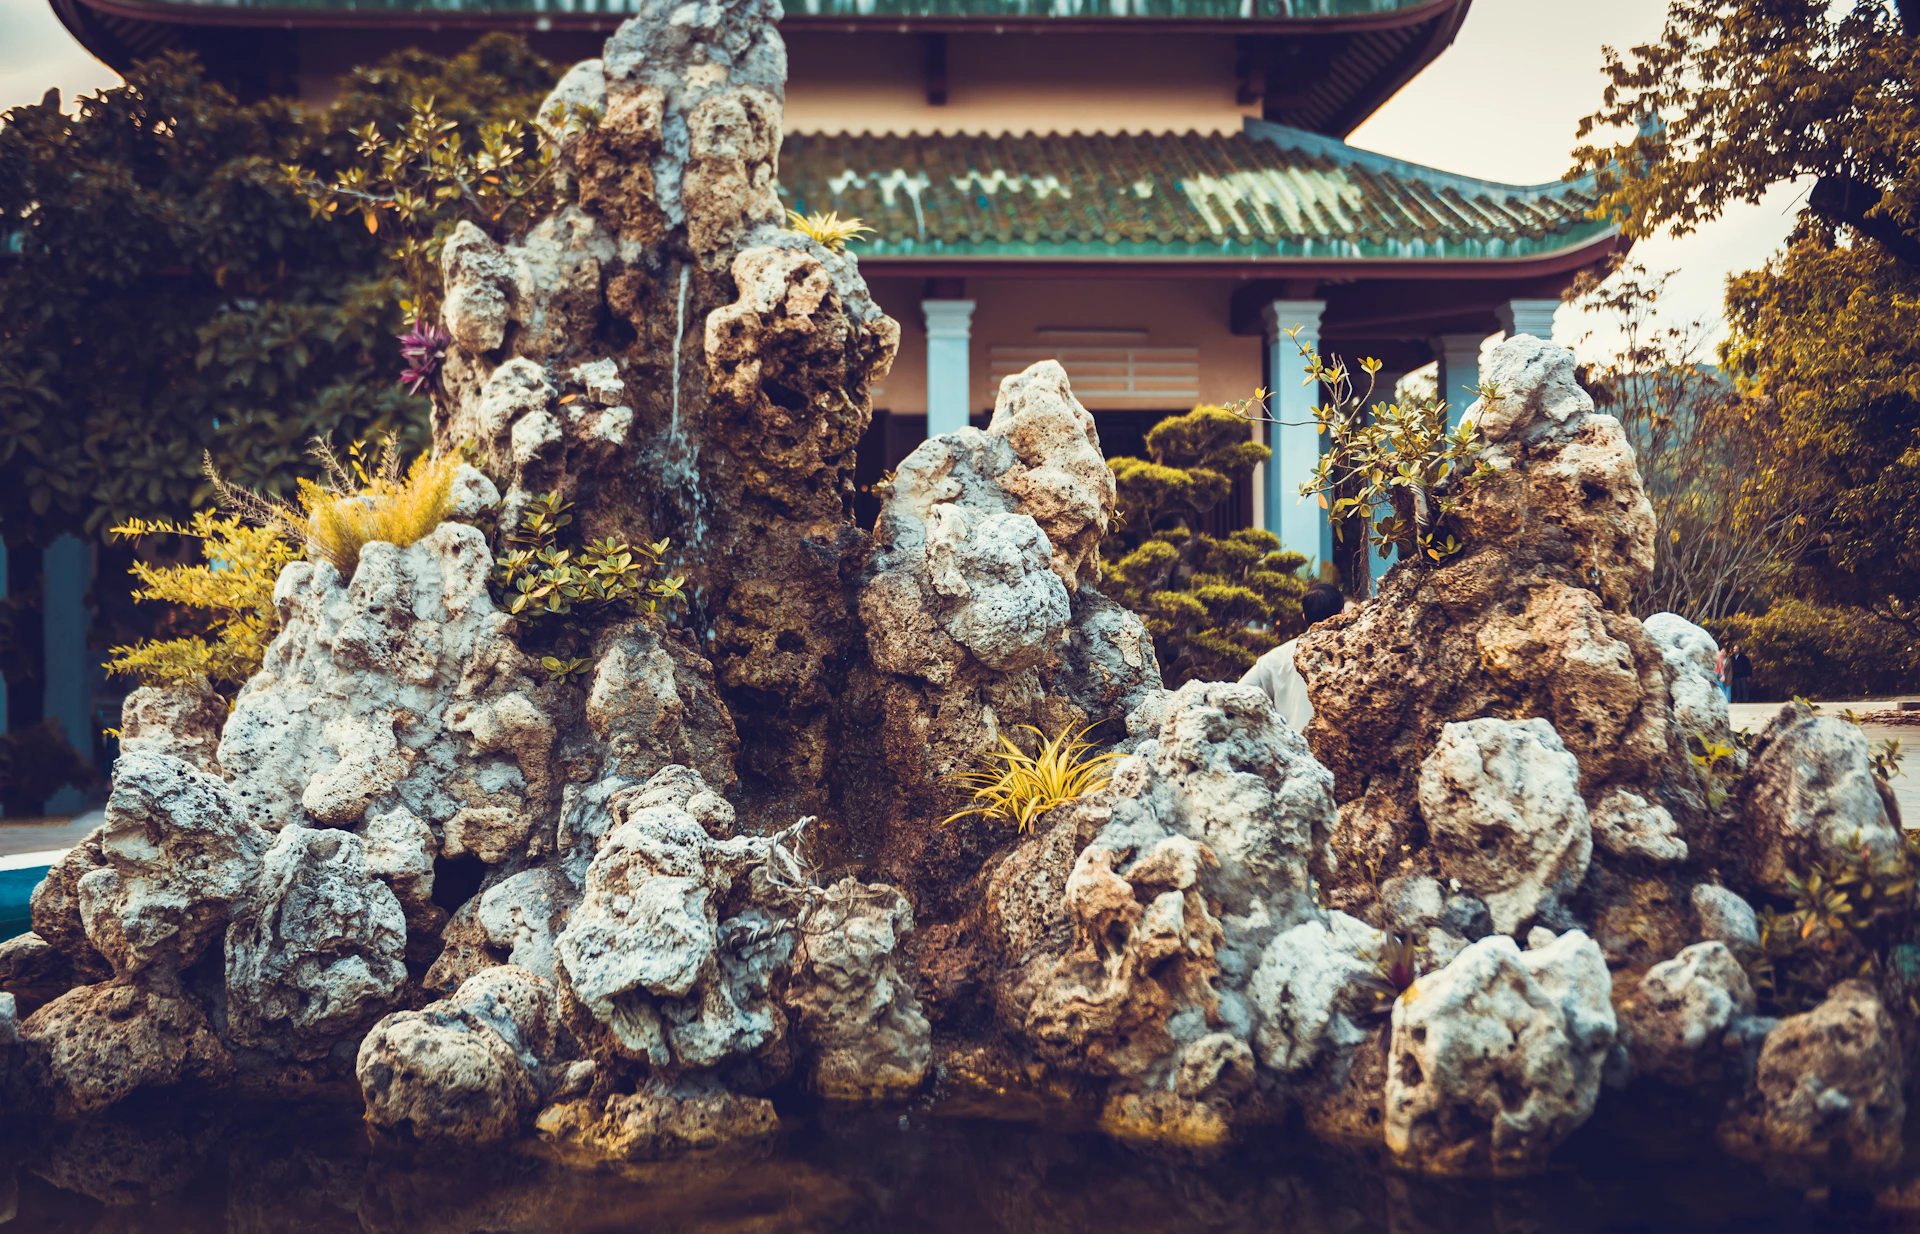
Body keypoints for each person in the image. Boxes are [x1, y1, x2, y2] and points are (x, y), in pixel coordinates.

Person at [1240, 581, 1346, 732]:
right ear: (1342, 613)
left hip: (1292, 744)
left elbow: (1239, 694)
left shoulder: (1276, 658)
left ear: (1304, 617)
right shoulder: (1355, 656)